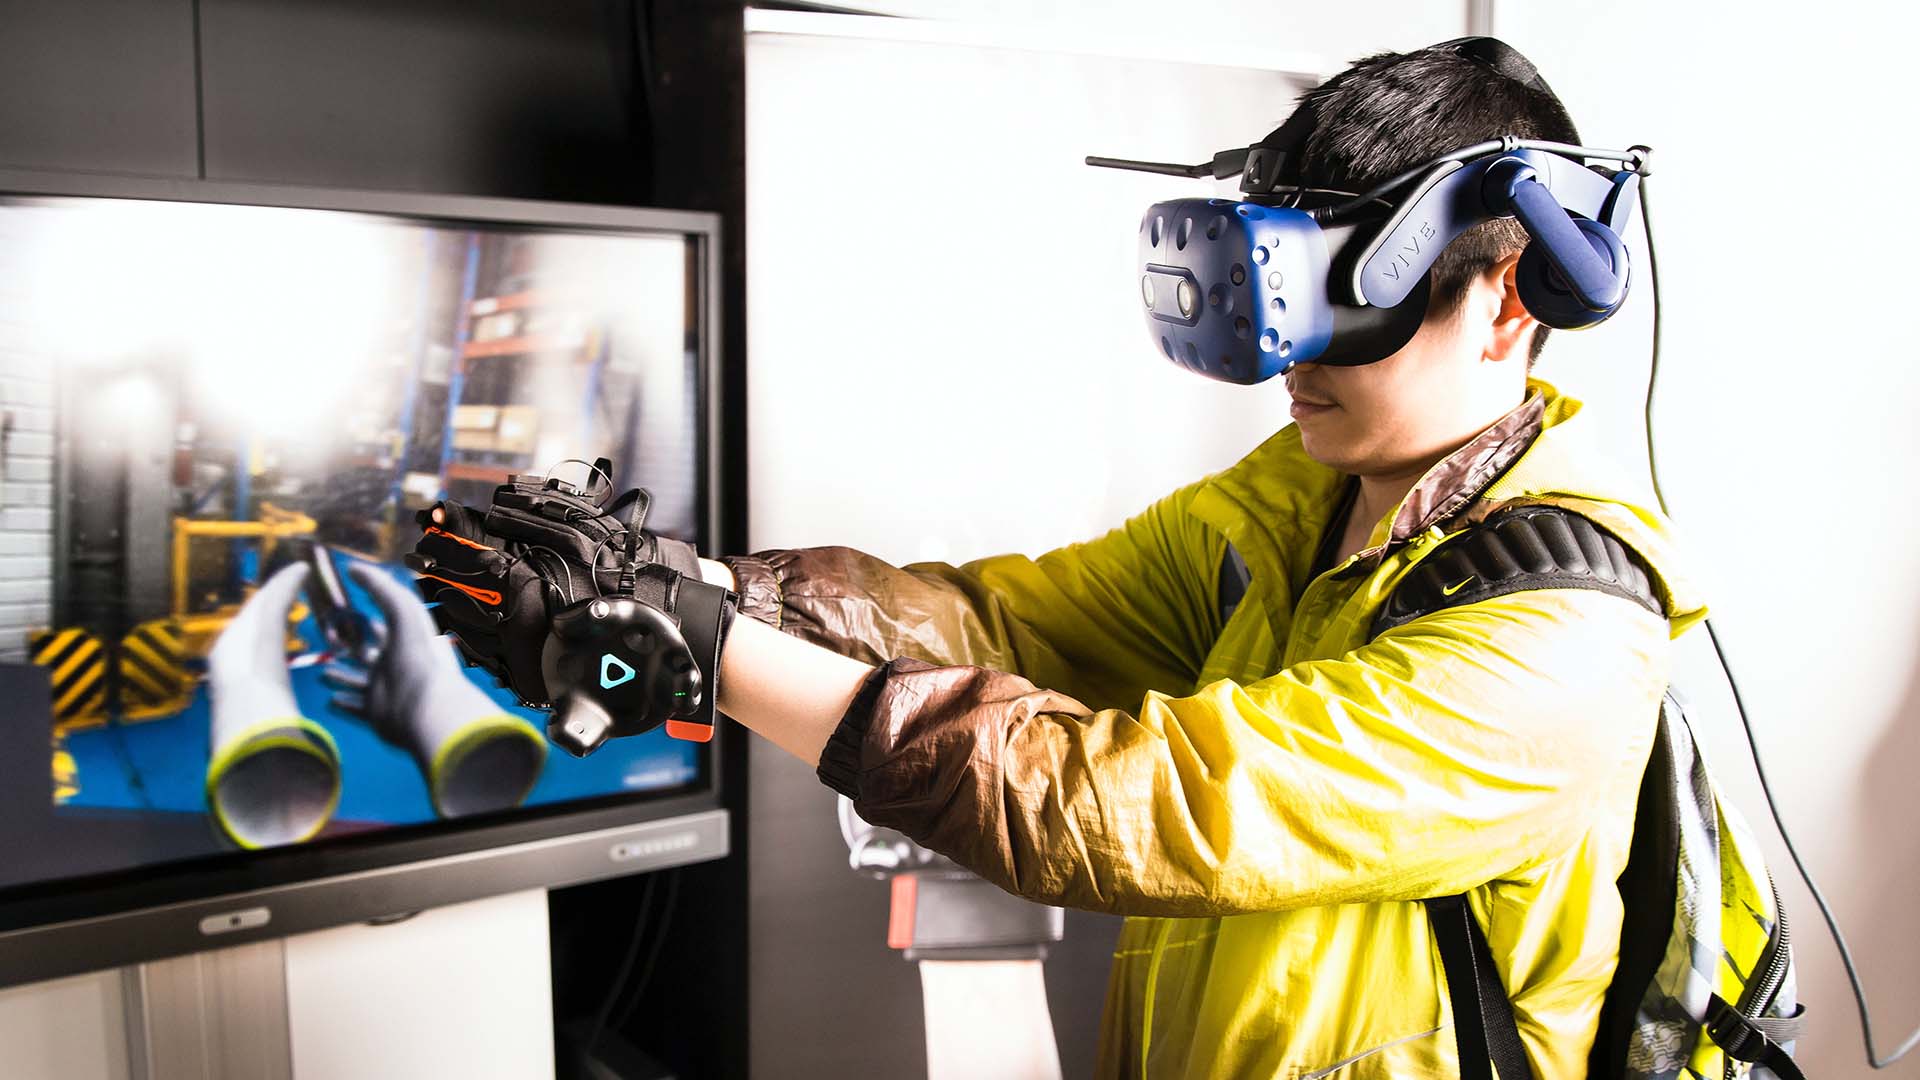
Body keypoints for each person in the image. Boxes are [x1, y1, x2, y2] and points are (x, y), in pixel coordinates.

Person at [427, 40, 1697, 1079]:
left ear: (1512, 296)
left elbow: (1137, 806)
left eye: (1340, 303)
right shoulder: (1307, 492)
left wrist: (704, 658)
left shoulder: (1561, 645)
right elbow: (1009, 626)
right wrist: (688, 587)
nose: (1288, 359)